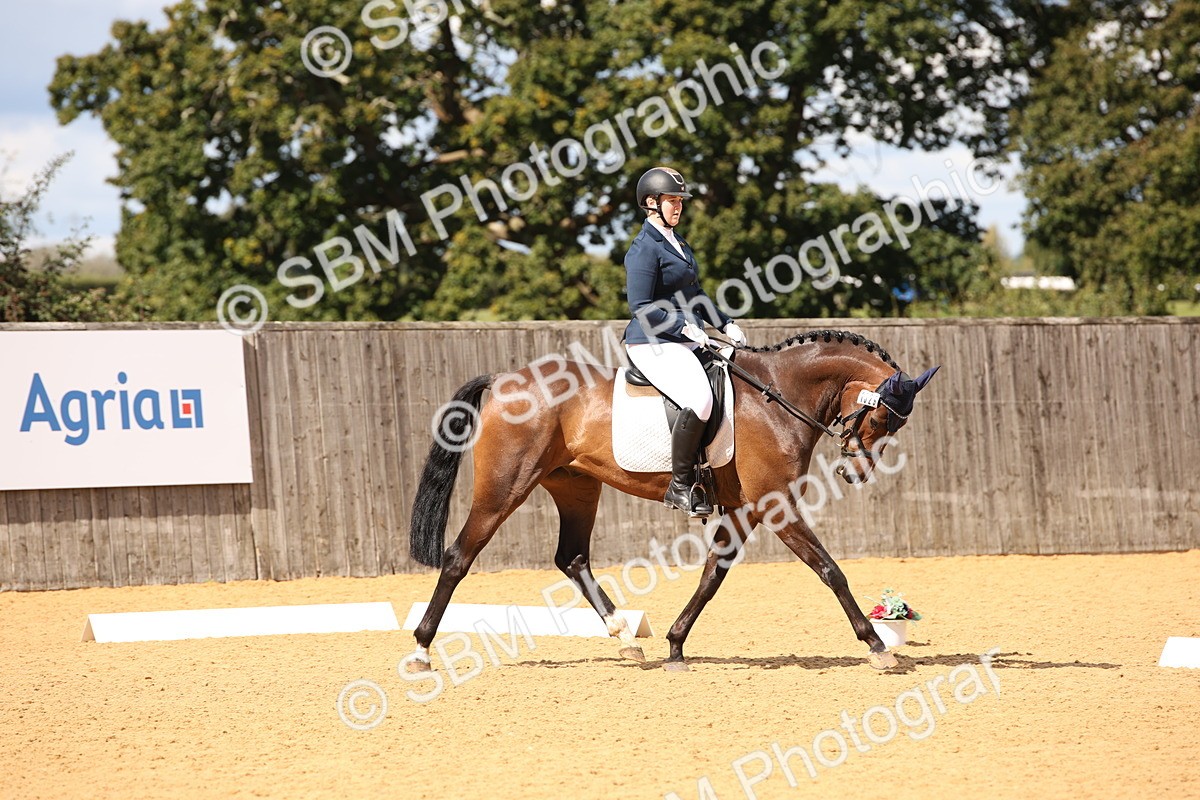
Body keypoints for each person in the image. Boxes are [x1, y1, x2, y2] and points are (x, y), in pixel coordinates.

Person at [623, 166, 747, 516]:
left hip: (685, 338)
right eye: (672, 200)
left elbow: (696, 295)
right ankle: (679, 486)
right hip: (652, 342)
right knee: (700, 399)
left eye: (680, 201)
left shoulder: (679, 243)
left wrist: (725, 324)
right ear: (651, 203)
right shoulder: (643, 249)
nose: (678, 206)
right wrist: (683, 328)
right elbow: (641, 307)